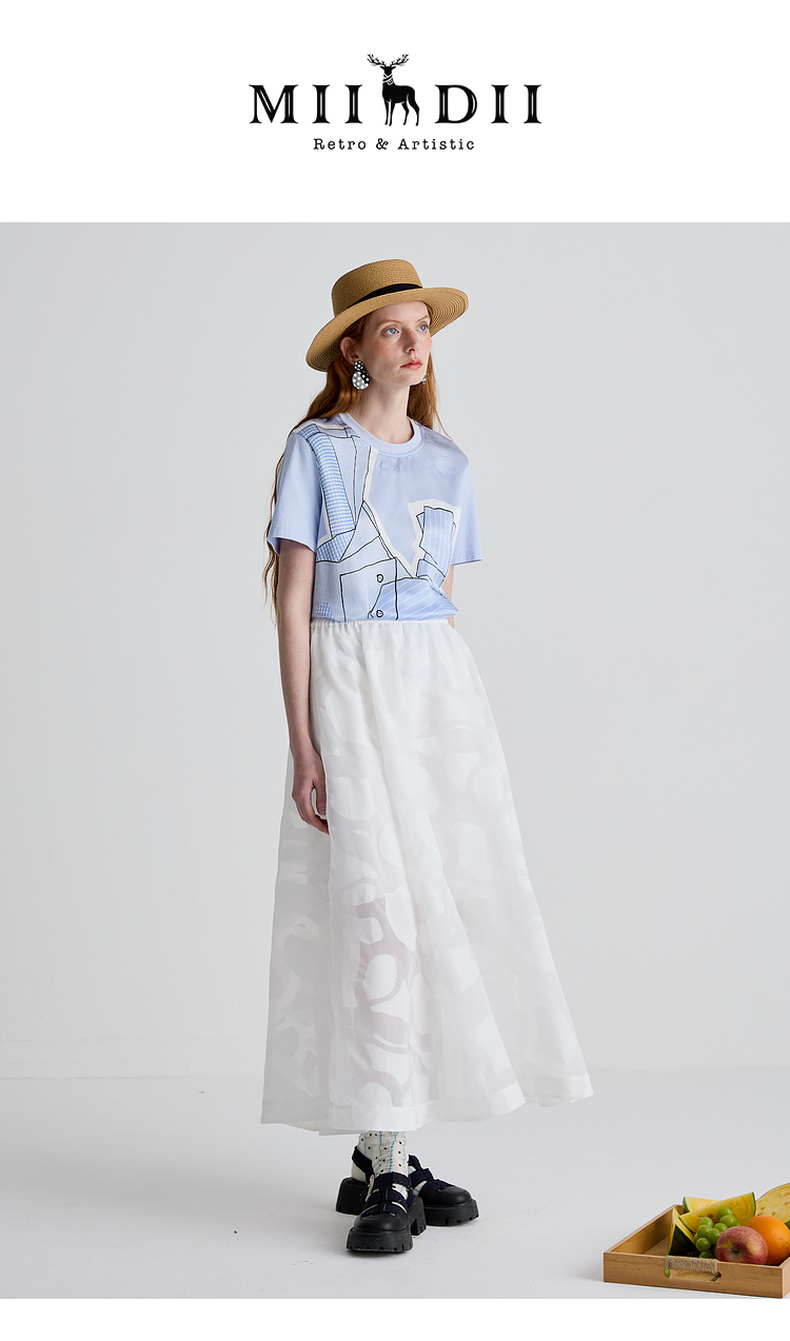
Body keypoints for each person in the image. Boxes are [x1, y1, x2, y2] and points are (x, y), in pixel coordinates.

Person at [260, 259, 592, 1254]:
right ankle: (389, 1156)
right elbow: (292, 598)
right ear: (354, 350)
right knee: (377, 914)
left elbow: (441, 603)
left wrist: (451, 728)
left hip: (435, 695)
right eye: (393, 330)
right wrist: (304, 739)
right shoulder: (316, 451)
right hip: (350, 684)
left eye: (423, 329)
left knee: (437, 904)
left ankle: (384, 1152)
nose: (415, 345)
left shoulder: (448, 460)